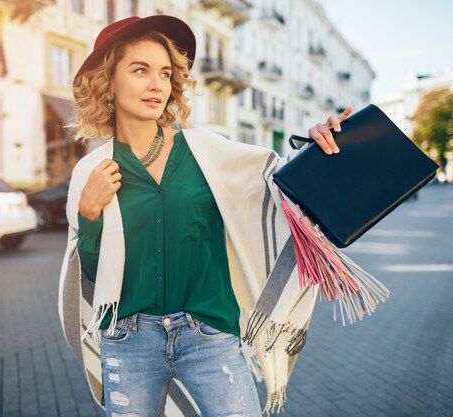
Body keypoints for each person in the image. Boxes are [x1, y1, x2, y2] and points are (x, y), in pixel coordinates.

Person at [58, 15, 351, 417]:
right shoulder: (91, 171)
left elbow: (281, 191)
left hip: (209, 336)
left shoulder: (208, 153)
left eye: (164, 72)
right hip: (128, 342)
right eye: (140, 70)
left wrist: (324, 147)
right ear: (108, 82)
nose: (156, 84)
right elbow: (94, 274)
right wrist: (88, 213)